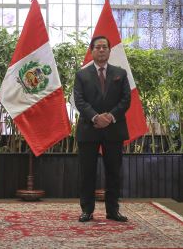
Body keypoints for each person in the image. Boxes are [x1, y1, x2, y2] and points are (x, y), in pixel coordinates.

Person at [74, 35, 131, 223]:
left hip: (114, 129)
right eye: (97, 47)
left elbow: (126, 100)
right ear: (91, 51)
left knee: (114, 172)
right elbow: (79, 101)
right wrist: (96, 117)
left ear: (109, 50)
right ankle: (87, 211)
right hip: (89, 129)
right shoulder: (81, 74)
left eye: (104, 47)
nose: (101, 50)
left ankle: (113, 211)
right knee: (87, 172)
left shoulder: (120, 73)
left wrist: (110, 117)